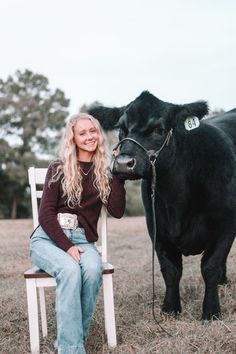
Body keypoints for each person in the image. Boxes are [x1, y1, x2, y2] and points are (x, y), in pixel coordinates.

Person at [30, 113, 126, 354]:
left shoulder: (103, 171)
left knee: (93, 270)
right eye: (82, 133)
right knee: (70, 270)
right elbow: (46, 215)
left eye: (92, 131)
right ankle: (71, 349)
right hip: (48, 238)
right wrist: (67, 246)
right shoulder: (59, 167)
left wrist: (116, 173)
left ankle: (71, 340)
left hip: (83, 239)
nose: (89, 137)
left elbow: (117, 210)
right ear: (72, 138)